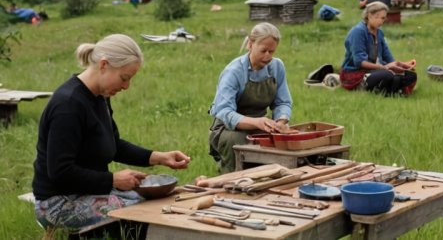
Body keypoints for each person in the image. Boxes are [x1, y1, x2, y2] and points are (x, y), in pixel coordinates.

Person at [32, 34, 191, 232]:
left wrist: (158, 157)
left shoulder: (99, 96)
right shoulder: (68, 105)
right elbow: (59, 172)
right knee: (143, 212)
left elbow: (112, 145)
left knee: (157, 201)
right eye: (124, 78)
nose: (126, 86)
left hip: (88, 192)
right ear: (104, 65)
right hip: (58, 203)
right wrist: (113, 180)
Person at [208, 22, 293, 173]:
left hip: (262, 124)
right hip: (228, 129)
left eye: (271, 52)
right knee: (236, 140)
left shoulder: (277, 67)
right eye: (263, 51)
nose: (268, 56)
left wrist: (280, 122)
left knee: (286, 140)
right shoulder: (233, 71)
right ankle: (232, 179)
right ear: (250, 44)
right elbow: (225, 112)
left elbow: (283, 102)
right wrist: (257, 123)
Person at [340, 1, 417, 96]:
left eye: (383, 18)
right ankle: (368, 87)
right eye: (378, 17)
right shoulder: (358, 32)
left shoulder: (379, 33)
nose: (382, 21)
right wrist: (384, 67)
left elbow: (388, 57)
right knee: (387, 75)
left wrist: (400, 66)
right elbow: (360, 62)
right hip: (355, 73)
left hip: (376, 71)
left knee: (410, 75)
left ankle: (388, 91)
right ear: (369, 15)